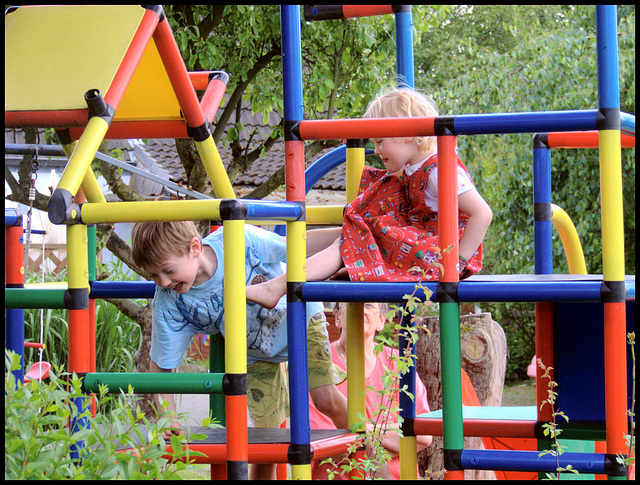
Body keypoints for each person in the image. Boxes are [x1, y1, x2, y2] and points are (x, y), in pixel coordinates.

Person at [130, 220, 348, 480]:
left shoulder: (236, 241)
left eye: (168, 270)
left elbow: (293, 245)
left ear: (195, 247)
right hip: (256, 352)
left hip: (299, 318)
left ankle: (374, 448)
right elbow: (162, 366)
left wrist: (347, 233)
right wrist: (168, 417)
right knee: (266, 435)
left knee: (325, 398)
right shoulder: (171, 302)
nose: (163, 282)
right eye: (154, 276)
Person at [246, 87, 492, 309]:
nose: (376, 150)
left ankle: (276, 286)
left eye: (380, 141)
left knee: (352, 240)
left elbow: (483, 213)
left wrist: (455, 263)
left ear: (406, 133)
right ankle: (274, 245)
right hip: (420, 241)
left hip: (435, 254)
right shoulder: (415, 166)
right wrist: (352, 136)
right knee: (349, 233)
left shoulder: (439, 171)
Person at [308, 301, 433, 479]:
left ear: (382, 321)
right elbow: (331, 449)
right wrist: (395, 437)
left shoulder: (397, 363)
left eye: (368, 305)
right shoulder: (320, 368)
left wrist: (358, 436)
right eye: (351, 304)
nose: (359, 310)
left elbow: (423, 435)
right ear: (337, 318)